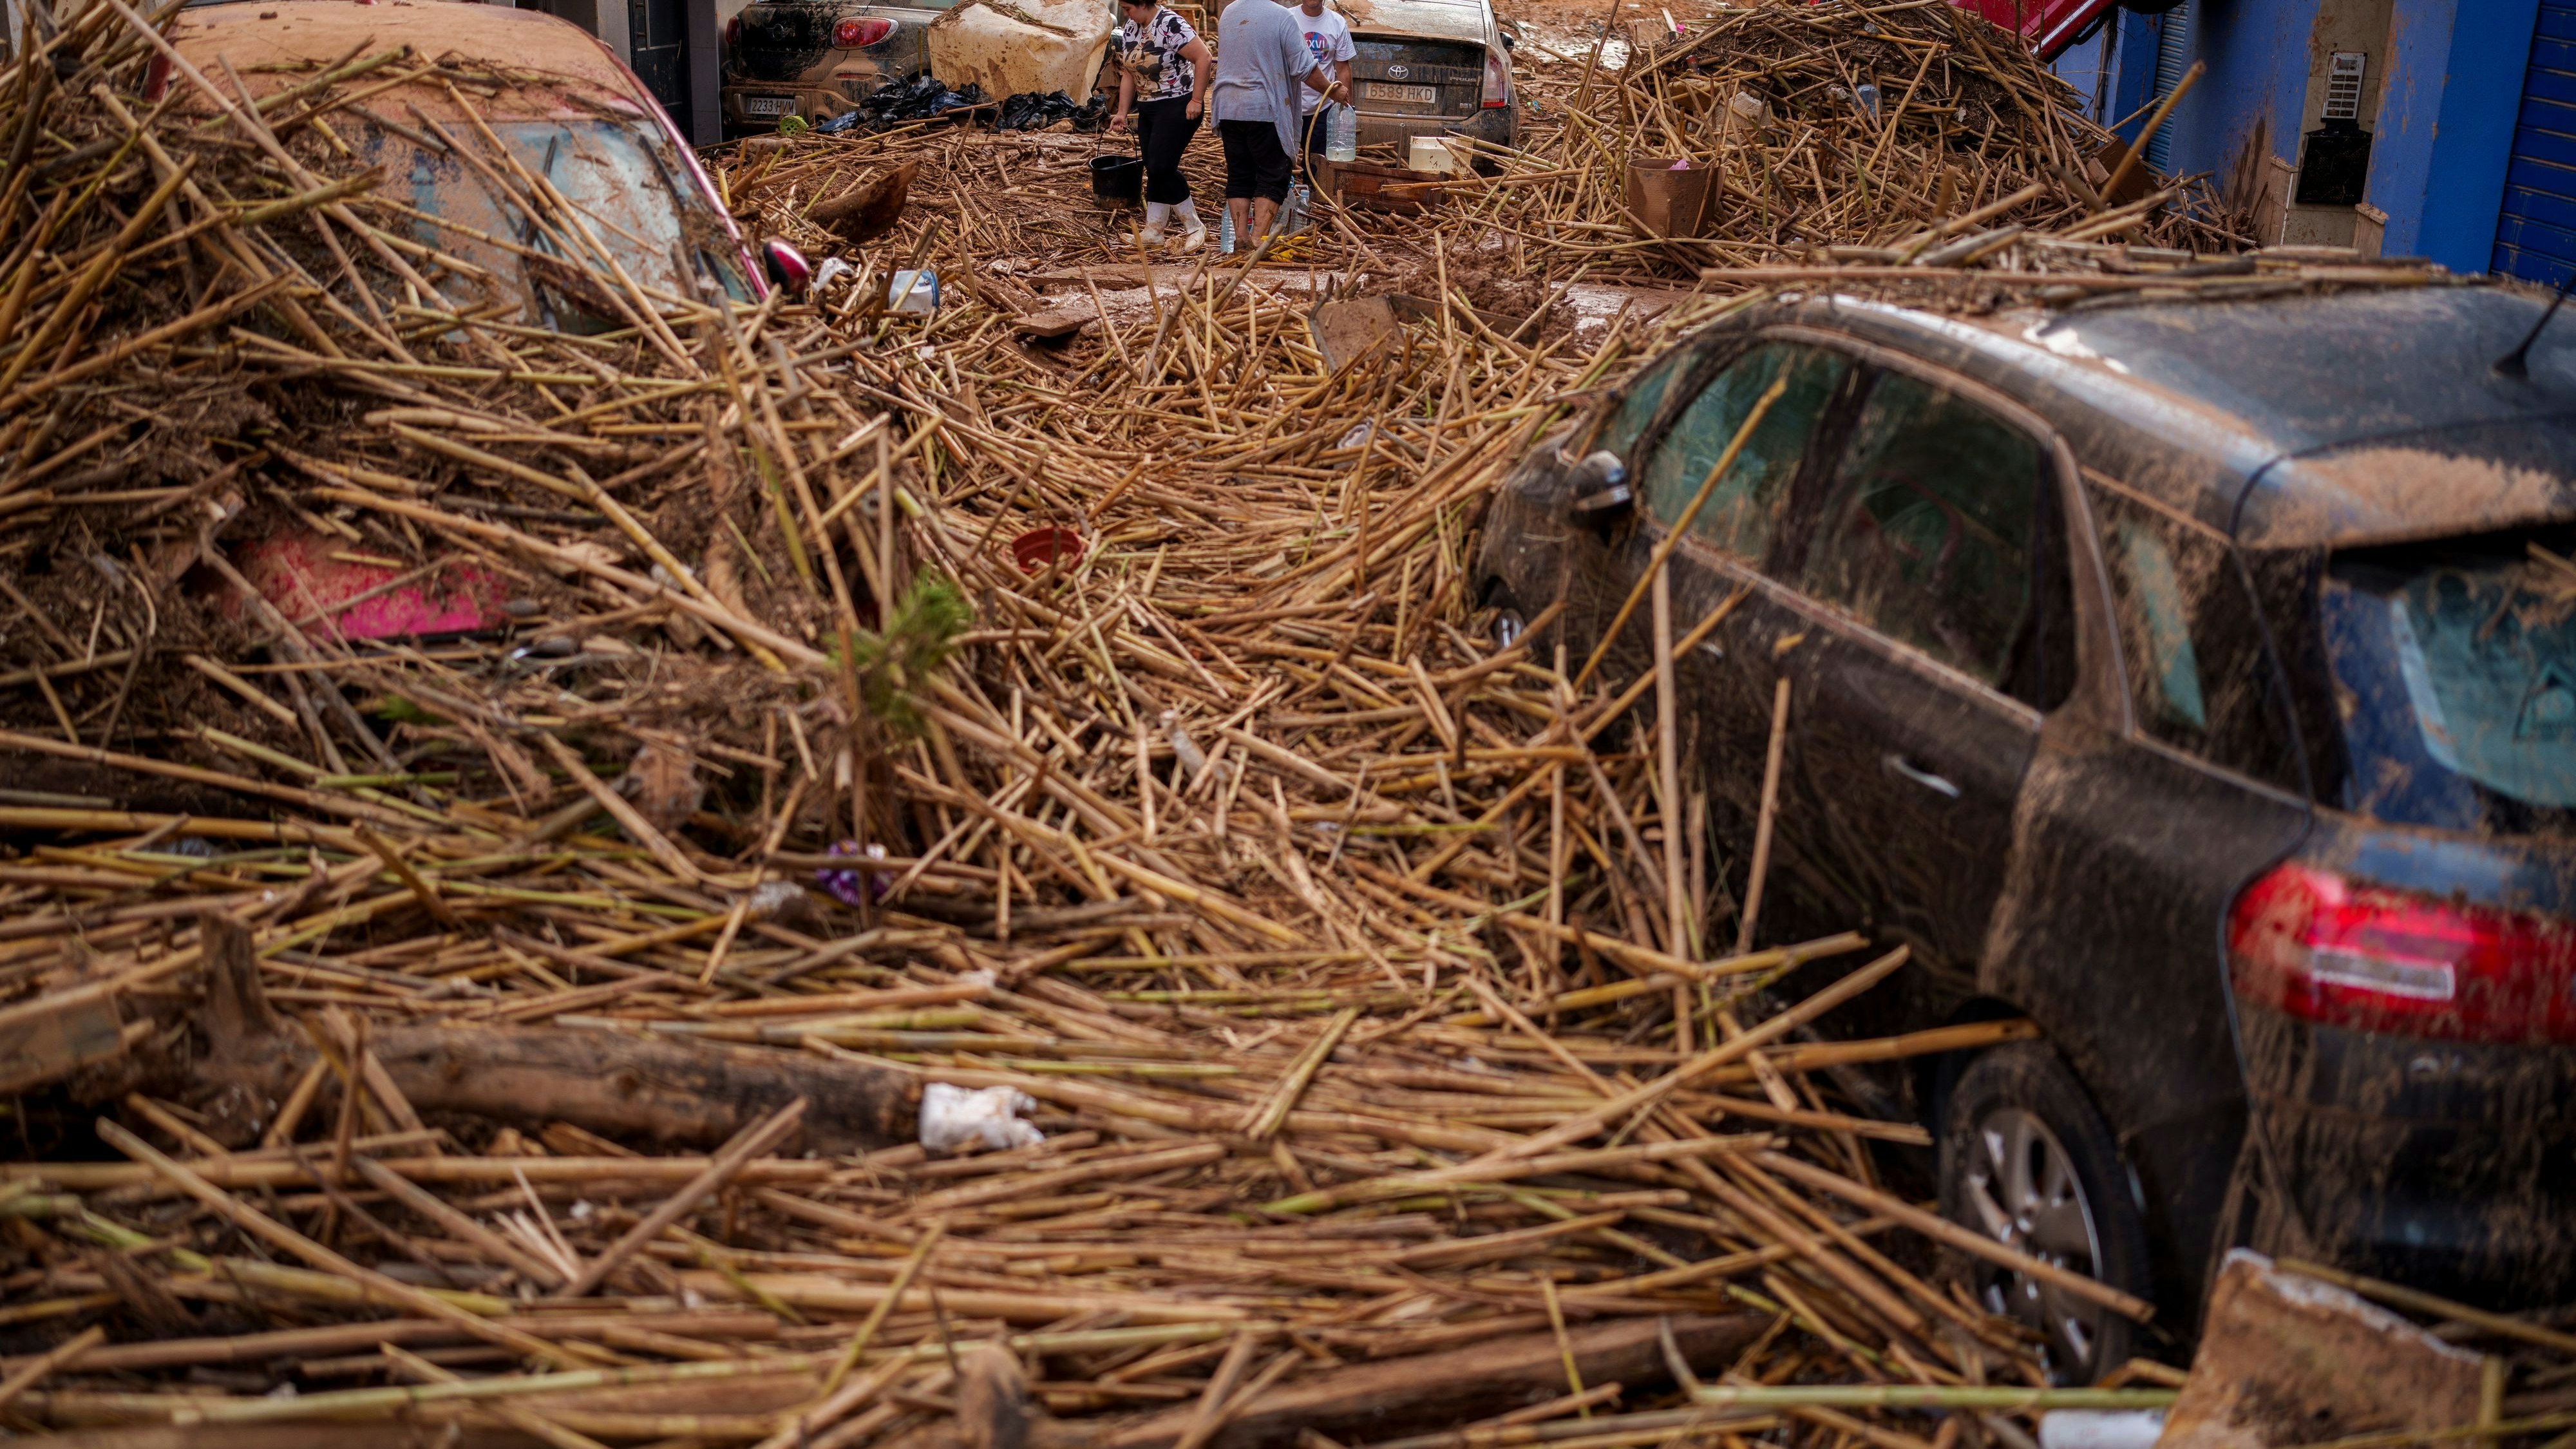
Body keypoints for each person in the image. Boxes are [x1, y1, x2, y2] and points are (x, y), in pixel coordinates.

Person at [1208, 0, 1341, 247]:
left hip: (1228, 107)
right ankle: (1257, 241)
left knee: (1240, 175)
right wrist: (1333, 91)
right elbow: (1306, 69)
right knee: (1273, 175)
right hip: (1263, 108)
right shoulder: (1282, 17)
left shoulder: (1229, 13)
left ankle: (1240, 239)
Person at [1108, 0, 1213, 251]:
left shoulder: (1170, 24)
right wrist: (1122, 111)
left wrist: (1197, 100)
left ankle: (1195, 226)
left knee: (1161, 165)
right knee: (1153, 166)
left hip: (1178, 104)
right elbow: (1128, 73)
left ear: (1143, 3)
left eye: (1128, 7)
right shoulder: (1132, 27)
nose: (1124, 12)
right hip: (1148, 106)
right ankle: (1153, 231)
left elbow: (1204, 57)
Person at [1291, 0, 1355, 178]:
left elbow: (1343, 68)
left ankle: (1312, 201)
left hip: (1321, 109)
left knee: (1316, 169)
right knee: (1278, 165)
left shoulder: (1337, 23)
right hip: (1288, 107)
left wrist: (1346, 109)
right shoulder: (1287, 18)